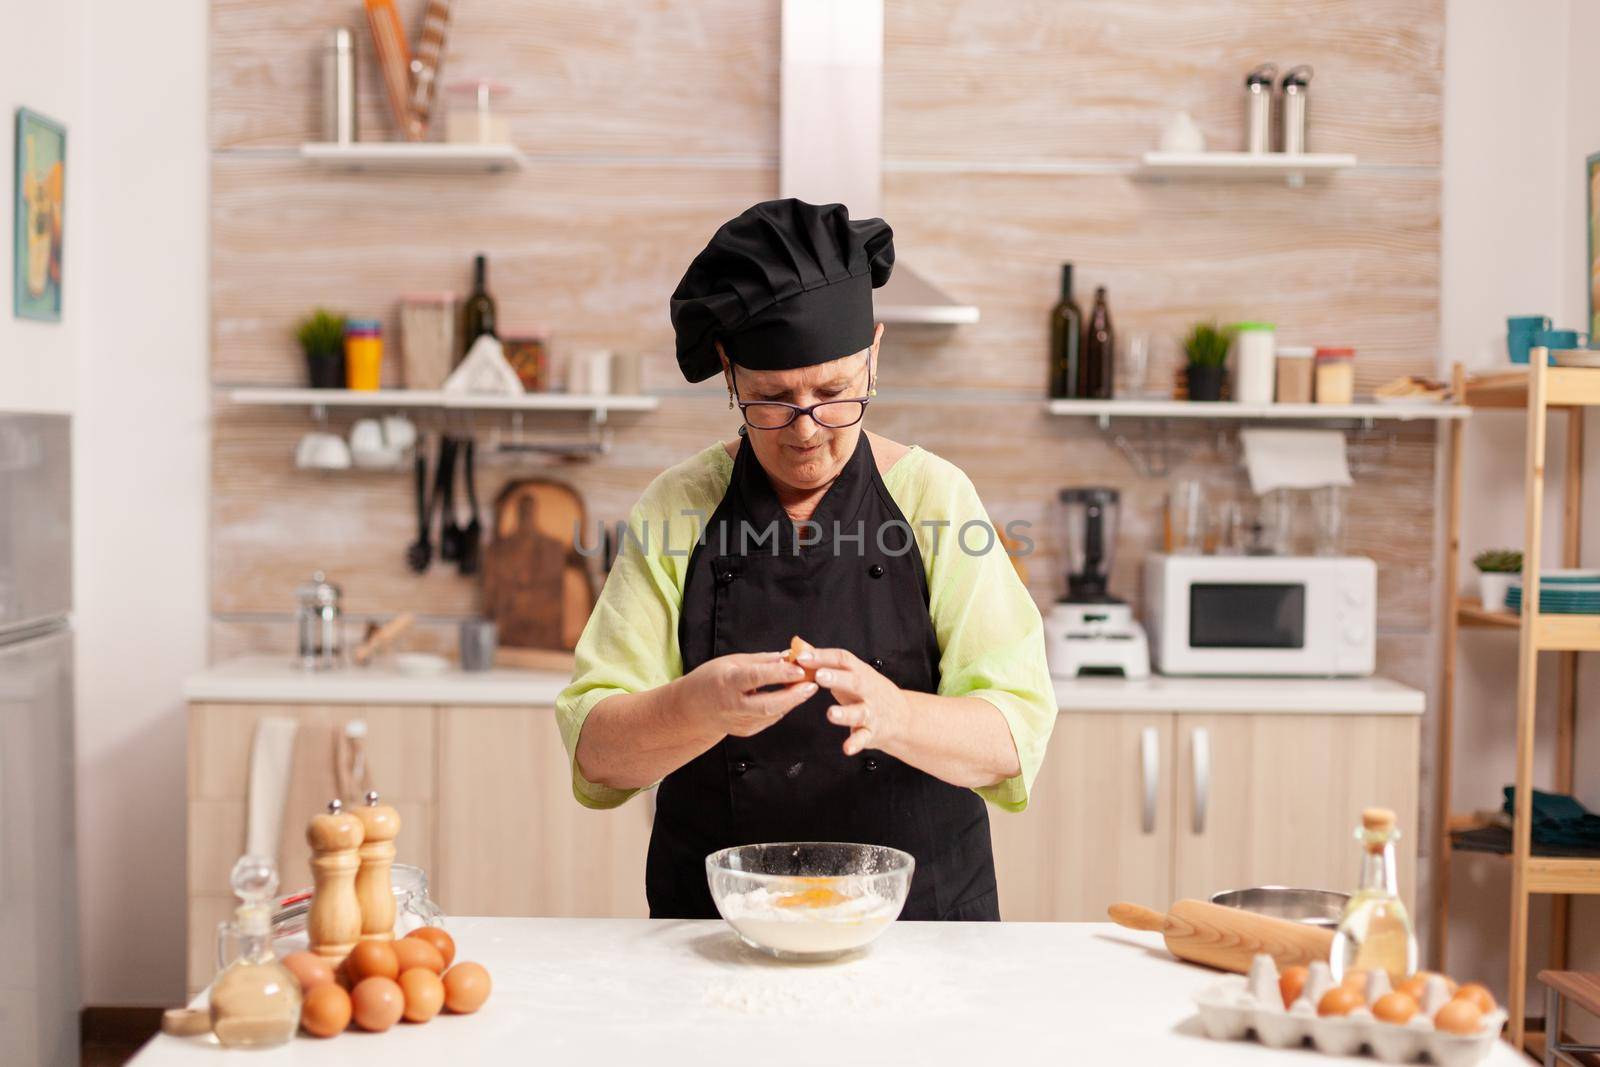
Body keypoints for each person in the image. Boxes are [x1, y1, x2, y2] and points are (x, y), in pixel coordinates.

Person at [555, 198, 1055, 920]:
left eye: (834, 393)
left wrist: (895, 715)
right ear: (730, 375)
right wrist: (695, 707)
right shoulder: (677, 508)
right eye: (772, 401)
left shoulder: (936, 501)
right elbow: (597, 753)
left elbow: (1014, 735)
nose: (808, 429)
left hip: (921, 930)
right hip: (715, 935)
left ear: (874, 357)